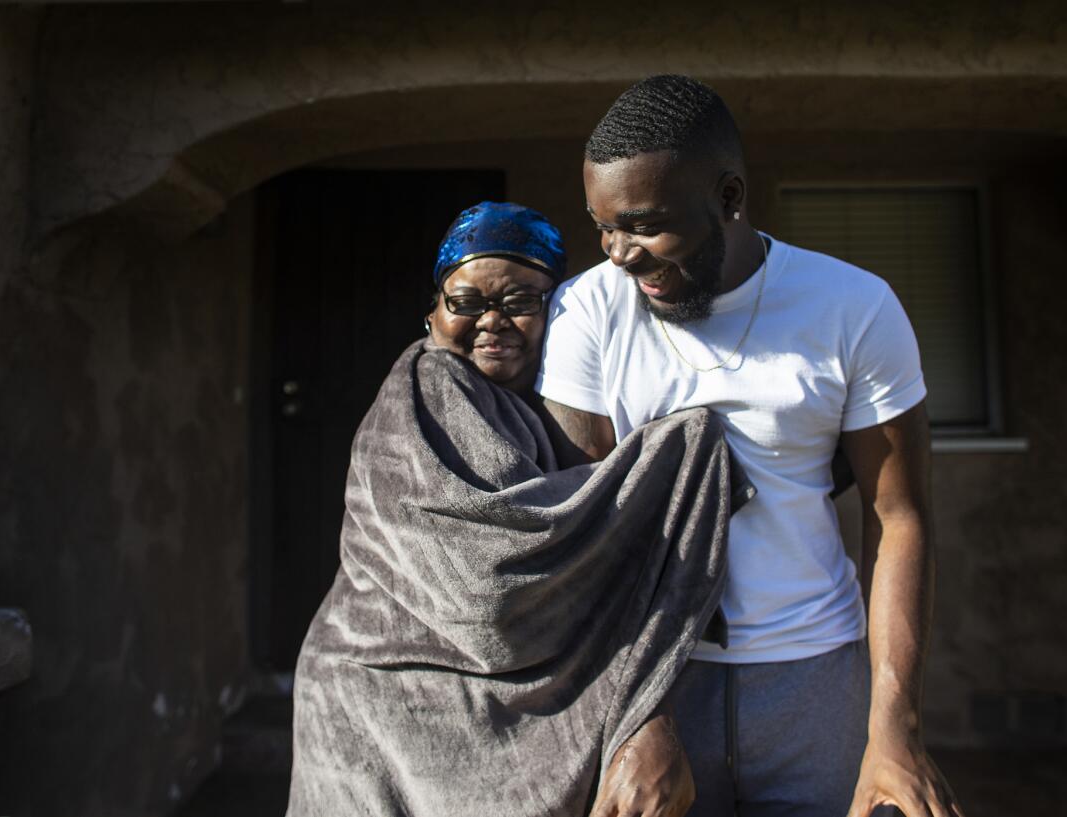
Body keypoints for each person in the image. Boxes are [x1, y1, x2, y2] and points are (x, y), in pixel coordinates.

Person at [536, 75, 965, 817]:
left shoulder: (854, 308)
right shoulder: (586, 311)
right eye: (603, 227)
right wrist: (643, 712)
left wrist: (894, 726)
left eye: (644, 224)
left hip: (816, 682)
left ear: (729, 197)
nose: (619, 255)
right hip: (657, 678)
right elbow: (583, 533)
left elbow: (899, 515)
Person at [286, 201, 749, 817]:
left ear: (556, 314)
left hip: (454, 693)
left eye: (521, 302)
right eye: (467, 302)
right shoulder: (428, 391)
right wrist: (677, 453)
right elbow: (491, 580)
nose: (492, 321)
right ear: (433, 313)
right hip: (380, 694)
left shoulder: (540, 407)